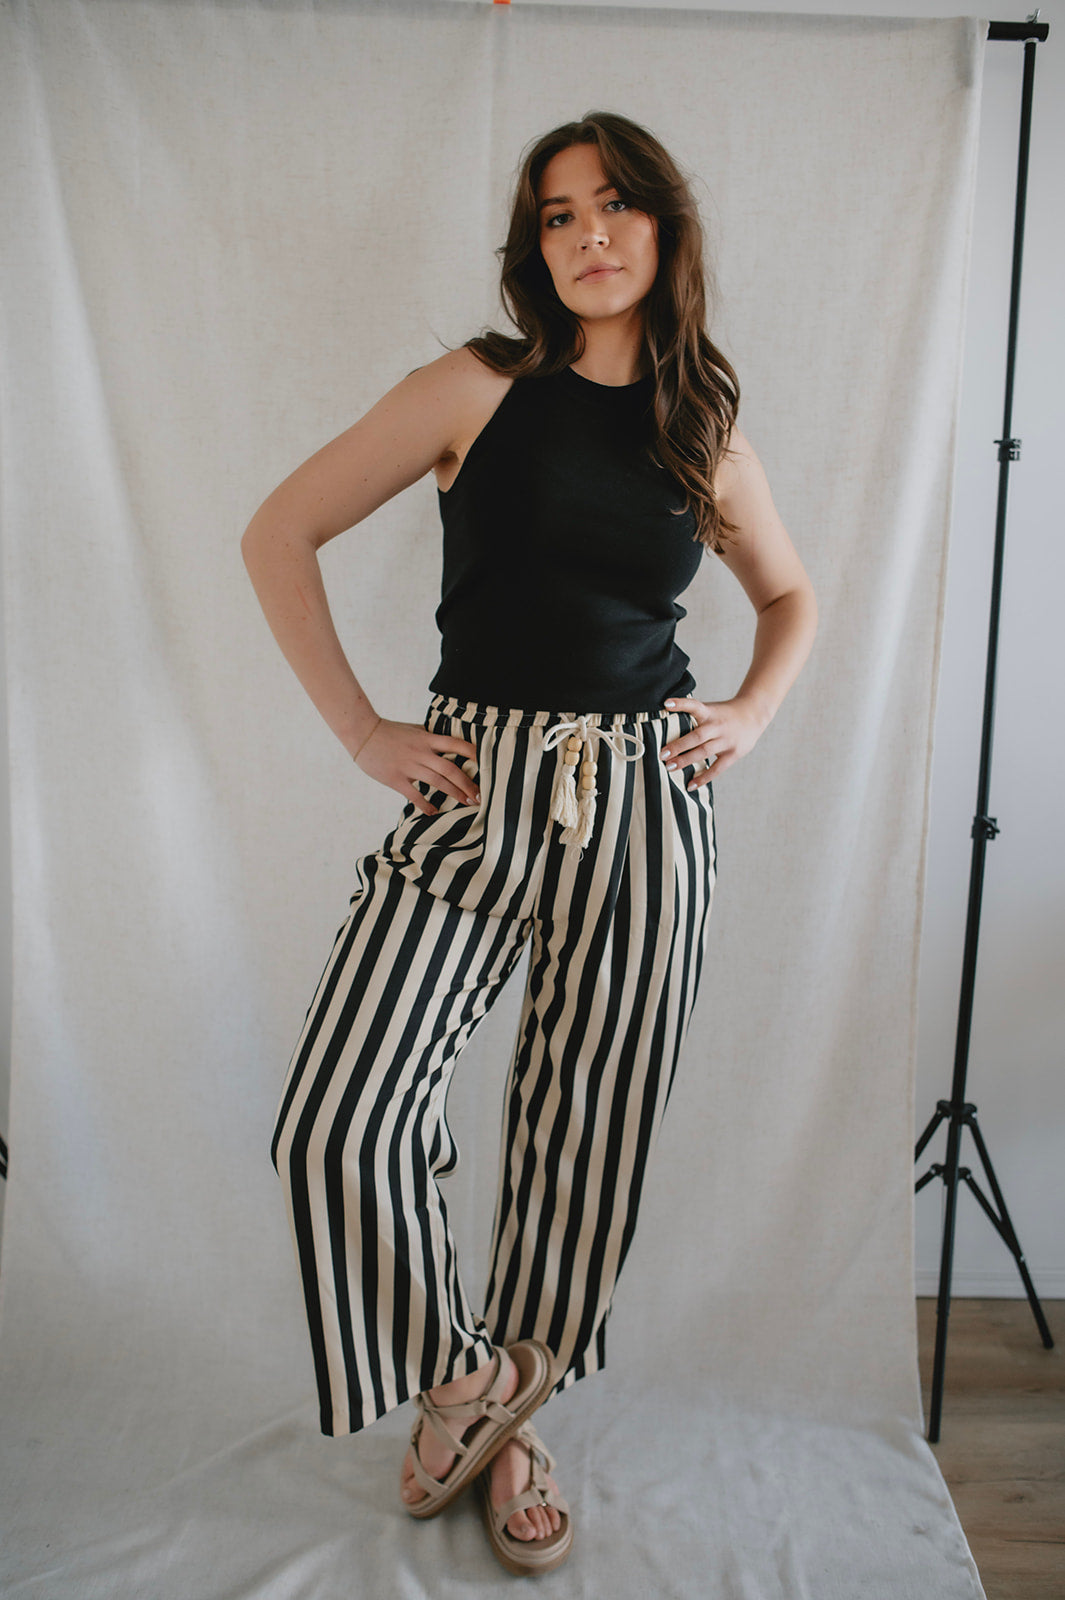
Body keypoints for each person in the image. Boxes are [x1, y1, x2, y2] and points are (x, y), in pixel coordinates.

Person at [241, 109, 817, 1578]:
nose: (588, 236)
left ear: (665, 228)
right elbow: (277, 530)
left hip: (643, 807)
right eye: (558, 215)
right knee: (339, 1117)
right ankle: (466, 1384)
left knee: (581, 1150)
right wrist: (363, 732)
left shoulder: (702, 424)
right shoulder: (475, 387)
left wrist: (751, 710)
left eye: (614, 205)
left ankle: (514, 1428)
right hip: (474, 790)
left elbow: (789, 597)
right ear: (532, 246)